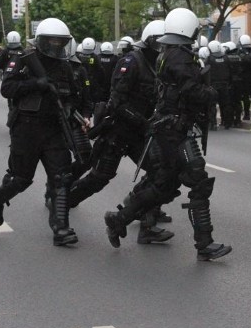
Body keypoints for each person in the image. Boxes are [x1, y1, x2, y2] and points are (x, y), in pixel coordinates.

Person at [104, 8, 232, 262]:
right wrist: (213, 94)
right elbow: (191, 91)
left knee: (165, 183)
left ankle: (119, 219)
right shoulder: (180, 57)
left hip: (168, 128)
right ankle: (204, 244)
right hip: (173, 130)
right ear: (188, 29)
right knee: (197, 179)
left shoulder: (169, 53)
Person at [0, 18, 90, 247]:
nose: (56, 45)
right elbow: (7, 89)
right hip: (26, 129)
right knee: (21, 179)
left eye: (60, 42)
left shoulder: (65, 66)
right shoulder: (23, 61)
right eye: (52, 41)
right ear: (41, 40)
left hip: (54, 128)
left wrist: (77, 113)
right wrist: (36, 84)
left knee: (62, 178)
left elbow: (74, 96)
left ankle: (61, 227)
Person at [67, 19, 173, 244]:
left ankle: (147, 225)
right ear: (149, 41)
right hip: (118, 131)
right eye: (159, 43)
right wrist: (142, 122)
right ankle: (64, 202)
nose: (162, 48)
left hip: (140, 133)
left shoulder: (160, 64)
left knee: (159, 172)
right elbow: (116, 102)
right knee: (100, 177)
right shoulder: (131, 61)